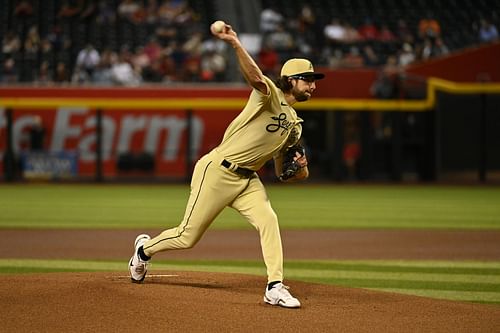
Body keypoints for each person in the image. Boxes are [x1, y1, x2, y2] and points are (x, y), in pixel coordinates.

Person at [128, 21, 324, 308]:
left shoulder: (295, 127)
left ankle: (274, 286)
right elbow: (255, 76)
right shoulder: (268, 96)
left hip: (248, 181)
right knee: (187, 237)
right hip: (218, 170)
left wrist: (303, 168)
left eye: (313, 80)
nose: (313, 85)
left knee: (269, 220)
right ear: (290, 80)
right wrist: (234, 42)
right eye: (307, 79)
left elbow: (285, 174)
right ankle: (143, 250)